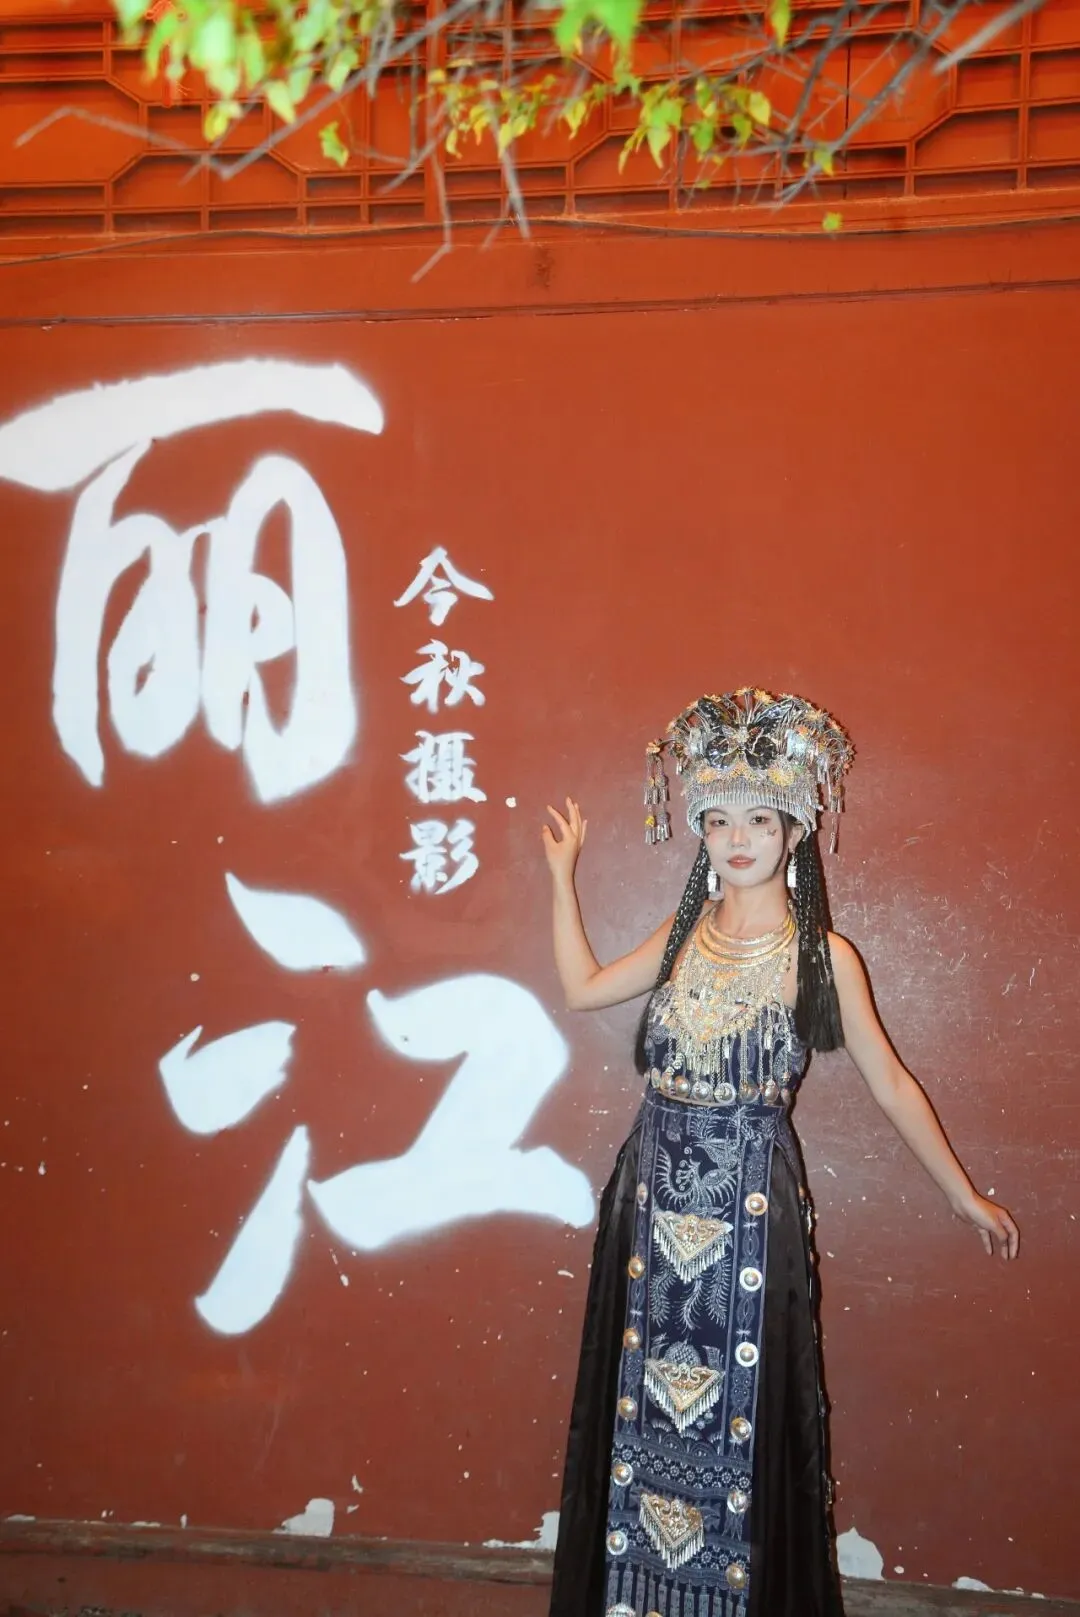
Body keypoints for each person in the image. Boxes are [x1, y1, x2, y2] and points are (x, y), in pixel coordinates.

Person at [541, 688, 1018, 1617]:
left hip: (750, 1214)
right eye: (719, 818)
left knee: (746, 1421)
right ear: (699, 830)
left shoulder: (822, 955)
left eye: (760, 818)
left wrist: (963, 1193)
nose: (738, 837)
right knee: (638, 1407)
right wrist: (562, 876)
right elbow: (582, 987)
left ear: (794, 829)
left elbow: (890, 1082)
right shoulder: (683, 937)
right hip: (650, 1205)